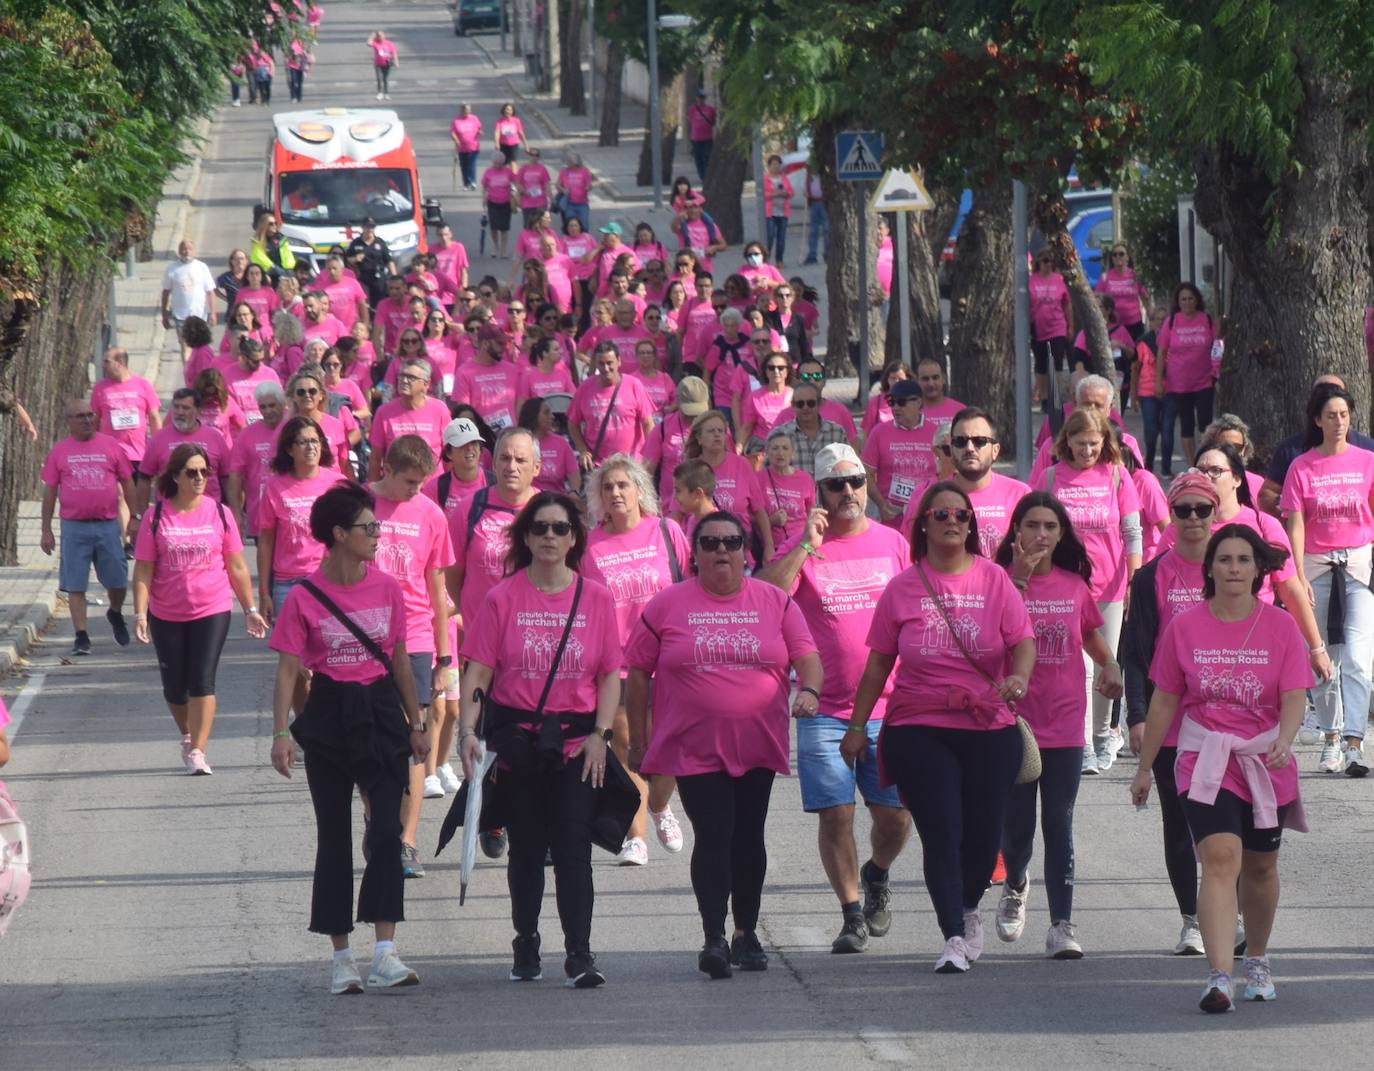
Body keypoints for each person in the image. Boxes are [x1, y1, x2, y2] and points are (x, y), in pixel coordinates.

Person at [843, 480, 1035, 974]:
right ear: (923, 523)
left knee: (982, 835)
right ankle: (952, 933)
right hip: (918, 724)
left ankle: (969, 906)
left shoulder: (994, 580)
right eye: (941, 514)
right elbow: (877, 665)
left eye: (961, 515)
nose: (952, 521)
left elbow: (1023, 641)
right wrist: (858, 726)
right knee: (942, 830)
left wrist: (1018, 675)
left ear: (971, 525)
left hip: (987, 723)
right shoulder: (903, 587)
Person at [626, 510, 822, 977]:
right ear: (695, 553)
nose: (721, 551)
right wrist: (639, 739)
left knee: (747, 836)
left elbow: (808, 658)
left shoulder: (775, 601)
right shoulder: (666, 605)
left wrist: (809, 692)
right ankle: (714, 936)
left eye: (731, 543)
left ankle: (746, 933)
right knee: (714, 833)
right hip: (693, 745)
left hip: (758, 741)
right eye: (710, 543)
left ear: (744, 551)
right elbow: (637, 672)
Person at [1130, 526, 1313, 1013]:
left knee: (1259, 865)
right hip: (1204, 758)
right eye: (1225, 559)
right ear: (1209, 568)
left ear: (1258, 570)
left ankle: (1256, 958)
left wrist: (1286, 738)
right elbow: (1165, 699)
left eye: (1244, 560)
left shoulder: (1280, 626)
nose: (1234, 568)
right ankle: (1217, 977)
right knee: (1218, 857)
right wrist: (1145, 768)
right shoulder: (1184, 627)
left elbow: (1295, 694)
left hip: (1263, 757)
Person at [269, 483, 429, 994]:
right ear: (340, 535)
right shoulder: (303, 597)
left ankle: (386, 951)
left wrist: (417, 722)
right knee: (333, 837)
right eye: (368, 527)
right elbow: (288, 670)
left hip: (381, 711)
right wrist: (280, 734)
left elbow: (400, 659)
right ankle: (341, 958)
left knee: (387, 830)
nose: (377, 535)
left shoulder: (387, 588)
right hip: (331, 713)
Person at [457, 492, 621, 988]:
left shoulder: (596, 597)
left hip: (576, 743)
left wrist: (601, 735)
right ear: (526, 537)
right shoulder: (500, 598)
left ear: (574, 539)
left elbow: (611, 675)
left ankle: (580, 954)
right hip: (518, 743)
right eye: (541, 528)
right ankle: (526, 940)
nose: (550, 536)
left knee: (573, 846)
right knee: (526, 848)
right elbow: (479, 671)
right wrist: (467, 730)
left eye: (560, 528)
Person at [756, 443, 912, 954]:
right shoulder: (804, 548)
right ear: (818, 493)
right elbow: (763, 598)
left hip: (891, 708)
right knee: (837, 813)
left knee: (896, 817)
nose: (848, 492)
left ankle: (877, 872)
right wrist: (804, 545)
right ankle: (850, 914)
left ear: (867, 484)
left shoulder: (893, 543)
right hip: (824, 709)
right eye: (835, 485)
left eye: (855, 482)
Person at [1123, 472, 1252, 956]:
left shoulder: (1234, 566)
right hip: (1171, 719)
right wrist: (1136, 716)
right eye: (1184, 510)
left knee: (1229, 822)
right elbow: (1134, 654)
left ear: (1216, 512)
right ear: (1172, 516)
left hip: (1230, 719)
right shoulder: (1152, 575)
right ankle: (1192, 920)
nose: (1194, 519)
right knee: (1180, 822)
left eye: (1203, 509)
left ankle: (1232, 911)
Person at [992, 493, 1122, 959]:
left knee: (1059, 823)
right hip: (1015, 723)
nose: (1041, 534)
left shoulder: (1073, 585)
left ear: (1061, 533)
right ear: (1016, 531)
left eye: (1050, 526)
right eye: (1032, 525)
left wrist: (1109, 664)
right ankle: (1017, 882)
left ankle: (1061, 925)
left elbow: (1089, 632)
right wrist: (1020, 582)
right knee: (1019, 828)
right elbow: (989, 636)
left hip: (1066, 720)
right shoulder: (997, 582)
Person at [582, 456, 692, 866]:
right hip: (619, 662)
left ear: (639, 490)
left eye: (623, 485)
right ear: (598, 496)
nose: (615, 493)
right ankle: (636, 837)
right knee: (631, 746)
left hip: (670, 658)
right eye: (607, 487)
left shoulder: (667, 531)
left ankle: (660, 806)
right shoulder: (590, 544)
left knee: (670, 744)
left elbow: (686, 585)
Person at [132, 443, 266, 775]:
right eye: (191, 472)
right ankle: (187, 733)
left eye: (204, 471)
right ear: (175, 476)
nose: (199, 478)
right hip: (166, 611)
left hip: (213, 607)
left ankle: (198, 751)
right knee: (174, 687)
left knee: (202, 679)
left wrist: (249, 607)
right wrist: (139, 613)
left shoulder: (220, 513)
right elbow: (144, 569)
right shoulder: (156, 515)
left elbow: (235, 565)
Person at [1034, 407, 1142, 773]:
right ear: (1067, 442)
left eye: (1094, 445)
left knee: (1105, 664)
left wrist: (1133, 580)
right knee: (1076, 667)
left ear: (1104, 442)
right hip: (1063, 588)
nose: (1087, 452)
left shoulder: (1116, 476)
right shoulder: (1051, 477)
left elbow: (1132, 533)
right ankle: (1079, 743)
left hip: (1109, 585)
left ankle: (1100, 737)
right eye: (1080, 445)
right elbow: (1036, 527)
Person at [367, 436, 454, 878]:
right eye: (409, 482)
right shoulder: (360, 505)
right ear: (386, 469)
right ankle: (375, 817)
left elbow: (436, 587)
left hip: (416, 636)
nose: (415, 491)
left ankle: (406, 841)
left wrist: (443, 655)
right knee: (369, 740)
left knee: (413, 742)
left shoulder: (431, 515)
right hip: (363, 636)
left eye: (422, 483)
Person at [1279, 385, 1374, 775]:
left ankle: (1355, 740)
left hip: (1357, 567)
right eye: (1331, 415)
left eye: (1344, 415)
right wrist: (1298, 576)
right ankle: (1331, 737)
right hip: (1316, 567)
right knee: (1321, 659)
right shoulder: (1301, 466)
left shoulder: (1367, 461)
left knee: (1357, 658)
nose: (1338, 422)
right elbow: (1295, 524)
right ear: (1317, 420)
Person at [40, 400, 138, 655]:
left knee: (118, 579)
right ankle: (81, 635)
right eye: (80, 416)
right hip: (74, 527)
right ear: (69, 422)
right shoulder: (60, 451)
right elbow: (50, 492)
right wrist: (46, 529)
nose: (87, 420)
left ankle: (115, 612)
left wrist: (135, 516)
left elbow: (127, 481)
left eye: (90, 415)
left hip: (107, 525)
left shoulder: (111, 446)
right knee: (76, 584)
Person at [257, 416, 348, 628]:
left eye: (315, 441)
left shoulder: (337, 483)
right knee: (292, 657)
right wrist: (264, 593)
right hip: (287, 584)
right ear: (290, 449)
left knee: (328, 652)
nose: (311, 447)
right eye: (303, 442)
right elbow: (266, 541)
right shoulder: (274, 486)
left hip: (328, 579)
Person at [682, 410, 774, 564]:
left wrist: (769, 547)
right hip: (703, 550)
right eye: (711, 431)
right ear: (699, 438)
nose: (717, 435)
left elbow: (759, 511)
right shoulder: (690, 469)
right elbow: (676, 515)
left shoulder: (742, 464)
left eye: (721, 431)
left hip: (739, 549)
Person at [90, 346, 162, 535]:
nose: (103, 365)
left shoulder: (143, 385)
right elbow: (95, 420)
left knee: (139, 499)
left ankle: (142, 536)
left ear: (120, 363)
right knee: (119, 496)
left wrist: (160, 447)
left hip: (138, 453)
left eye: (107, 361)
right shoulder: (100, 388)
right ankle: (126, 541)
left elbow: (154, 417)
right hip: (111, 454)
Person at [862, 379, 939, 528]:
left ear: (918, 402)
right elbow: (866, 473)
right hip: (892, 517)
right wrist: (881, 504)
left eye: (902, 402)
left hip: (928, 515)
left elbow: (947, 473)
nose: (896, 407)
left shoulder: (936, 433)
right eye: (892, 402)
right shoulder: (879, 432)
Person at [567, 343, 656, 471]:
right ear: (595, 363)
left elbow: (648, 424)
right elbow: (572, 423)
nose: (606, 368)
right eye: (601, 363)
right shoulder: (585, 388)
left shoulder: (634, 385)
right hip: (598, 465)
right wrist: (582, 450)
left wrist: (649, 457)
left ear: (619, 361)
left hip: (631, 464)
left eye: (610, 363)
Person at [138, 389, 231, 509]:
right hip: (169, 515)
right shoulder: (159, 438)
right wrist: (139, 514)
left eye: (185, 408)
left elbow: (228, 478)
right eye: (176, 407)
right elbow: (144, 477)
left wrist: (234, 510)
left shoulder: (215, 437)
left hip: (209, 514)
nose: (179, 412)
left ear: (198, 411)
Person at [1155, 282, 1217, 464]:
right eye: (1184, 299)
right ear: (1178, 302)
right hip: (1179, 383)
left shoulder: (1206, 320)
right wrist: (1158, 381)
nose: (1187, 302)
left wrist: (1218, 373)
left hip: (1204, 380)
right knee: (1187, 424)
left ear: (1197, 300)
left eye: (1191, 298)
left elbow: (1217, 346)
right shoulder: (1171, 321)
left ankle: (1207, 460)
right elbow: (1161, 352)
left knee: (1206, 422)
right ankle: (1193, 464)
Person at [368, 358, 451, 480]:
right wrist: (373, 492)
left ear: (426, 384)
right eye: (401, 376)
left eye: (410, 377)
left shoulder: (440, 410)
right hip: (395, 489)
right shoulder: (384, 412)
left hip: (432, 489)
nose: (404, 381)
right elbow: (375, 458)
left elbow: (449, 455)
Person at [226, 382, 289, 539]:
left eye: (272, 405)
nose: (268, 411)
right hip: (260, 513)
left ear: (282, 404)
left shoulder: (294, 428)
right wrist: (236, 513)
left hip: (290, 509)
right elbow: (235, 475)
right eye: (263, 407)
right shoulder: (247, 435)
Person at [771, 381, 849, 478]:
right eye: (800, 404)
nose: (805, 407)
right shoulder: (779, 434)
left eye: (811, 403)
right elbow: (769, 474)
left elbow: (848, 470)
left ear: (820, 403)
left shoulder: (837, 433)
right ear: (793, 405)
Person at [160, 240, 217, 361]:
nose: (187, 252)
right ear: (179, 251)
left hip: (200, 314)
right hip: (181, 315)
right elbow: (165, 293)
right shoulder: (172, 269)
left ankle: (199, 368)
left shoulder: (202, 267)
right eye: (184, 249)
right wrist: (164, 315)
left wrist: (213, 313)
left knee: (200, 346)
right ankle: (188, 371)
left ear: (194, 250)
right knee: (185, 345)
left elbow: (210, 291)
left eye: (189, 249)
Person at [517, 398, 579, 495]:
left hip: (556, 500)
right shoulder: (520, 442)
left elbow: (574, 474)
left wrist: (575, 492)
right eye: (546, 413)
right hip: (528, 501)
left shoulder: (561, 443)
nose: (552, 416)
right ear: (533, 416)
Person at [738, 353, 793, 454]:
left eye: (781, 368)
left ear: (787, 371)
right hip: (760, 450)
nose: (776, 371)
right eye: (771, 368)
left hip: (787, 449)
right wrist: (738, 450)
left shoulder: (795, 396)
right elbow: (747, 427)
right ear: (766, 371)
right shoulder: (754, 396)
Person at [1096, 242, 1152, 340]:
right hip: (1113, 325)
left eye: (1121, 254)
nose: (1118, 257)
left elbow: (1145, 299)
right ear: (1112, 258)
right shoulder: (1105, 278)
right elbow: (1097, 301)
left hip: (1135, 323)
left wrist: (1151, 318)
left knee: (1136, 353)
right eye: (1115, 254)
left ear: (1127, 257)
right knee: (1117, 354)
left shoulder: (1135, 276)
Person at [345, 217, 395, 307]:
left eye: (372, 227)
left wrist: (395, 277)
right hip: (363, 277)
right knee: (365, 303)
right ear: (362, 227)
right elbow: (346, 260)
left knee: (380, 302)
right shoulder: (356, 243)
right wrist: (355, 258)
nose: (370, 229)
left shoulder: (380, 242)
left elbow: (389, 261)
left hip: (378, 277)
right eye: (367, 227)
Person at [861, 361, 910, 443]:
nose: (896, 382)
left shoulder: (915, 402)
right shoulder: (875, 403)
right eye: (893, 378)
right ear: (887, 379)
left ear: (908, 379)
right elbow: (866, 435)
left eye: (900, 379)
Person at [481, 152, 516, 259]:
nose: (498, 166)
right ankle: (495, 247)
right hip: (492, 202)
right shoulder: (488, 172)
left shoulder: (508, 171)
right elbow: (484, 186)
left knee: (504, 227)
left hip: (506, 202)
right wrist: (484, 198)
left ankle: (503, 249)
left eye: (500, 163)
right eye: (496, 163)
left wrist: (515, 195)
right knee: (494, 227)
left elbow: (516, 182)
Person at [762, 156, 794, 268]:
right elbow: (763, 195)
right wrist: (775, 194)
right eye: (773, 165)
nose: (775, 167)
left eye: (777, 165)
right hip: (770, 213)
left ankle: (779, 260)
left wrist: (786, 194)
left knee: (781, 238)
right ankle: (766, 259)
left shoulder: (784, 178)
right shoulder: (765, 179)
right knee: (769, 237)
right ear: (769, 166)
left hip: (783, 212)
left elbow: (791, 192)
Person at [250, 213, 297, 285]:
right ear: (264, 225)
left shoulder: (281, 239)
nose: (274, 226)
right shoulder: (257, 242)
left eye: (275, 223)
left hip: (285, 275)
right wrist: (275, 269)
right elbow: (259, 259)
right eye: (271, 224)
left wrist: (288, 271)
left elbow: (288, 257)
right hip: (268, 276)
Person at [555, 151, 592, 232]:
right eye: (567, 161)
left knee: (584, 226)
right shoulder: (564, 171)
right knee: (571, 226)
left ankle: (585, 241)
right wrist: (563, 190)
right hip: (569, 204)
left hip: (582, 203)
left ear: (575, 162)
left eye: (569, 161)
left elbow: (589, 184)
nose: (567, 163)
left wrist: (588, 187)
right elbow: (557, 185)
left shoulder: (584, 171)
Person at [450, 103, 483, 190]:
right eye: (465, 109)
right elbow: (452, 132)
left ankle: (472, 182)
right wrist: (456, 139)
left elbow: (479, 128)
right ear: (462, 110)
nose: (467, 111)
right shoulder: (456, 120)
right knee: (464, 166)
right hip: (461, 148)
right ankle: (466, 184)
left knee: (471, 164)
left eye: (469, 109)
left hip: (473, 146)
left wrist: (479, 132)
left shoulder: (474, 118)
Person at [687, 89, 717, 181]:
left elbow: (713, 121)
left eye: (702, 98)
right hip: (696, 138)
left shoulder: (710, 109)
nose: (701, 100)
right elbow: (690, 120)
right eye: (699, 97)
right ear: (696, 98)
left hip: (707, 137)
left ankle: (707, 175)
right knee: (698, 158)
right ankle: (702, 177)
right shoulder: (692, 109)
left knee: (707, 157)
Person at [803, 171, 828, 265]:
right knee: (813, 230)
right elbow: (807, 184)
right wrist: (806, 192)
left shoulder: (826, 170)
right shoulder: (810, 173)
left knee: (827, 229)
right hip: (813, 202)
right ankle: (812, 255)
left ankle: (827, 254)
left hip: (824, 202)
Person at [368, 30, 397, 100]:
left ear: (384, 36)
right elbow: (368, 43)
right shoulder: (375, 43)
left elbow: (394, 53)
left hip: (387, 63)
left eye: (381, 36)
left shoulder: (389, 43)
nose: (380, 37)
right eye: (378, 36)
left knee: (385, 79)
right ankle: (380, 93)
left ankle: (386, 93)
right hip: (378, 64)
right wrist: (372, 36)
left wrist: (396, 62)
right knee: (379, 78)